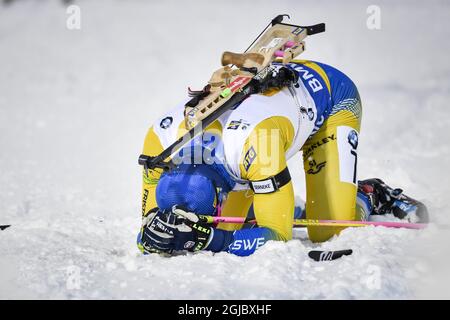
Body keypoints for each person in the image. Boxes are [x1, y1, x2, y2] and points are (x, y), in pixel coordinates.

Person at [137, 60, 428, 257]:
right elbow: (148, 224)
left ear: (219, 196)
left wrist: (213, 240)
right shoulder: (159, 142)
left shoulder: (254, 149)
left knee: (328, 231)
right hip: (259, 129)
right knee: (229, 226)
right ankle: (280, 200)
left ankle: (370, 193)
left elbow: (277, 236)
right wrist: (149, 234)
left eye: (214, 210)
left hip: (331, 99)